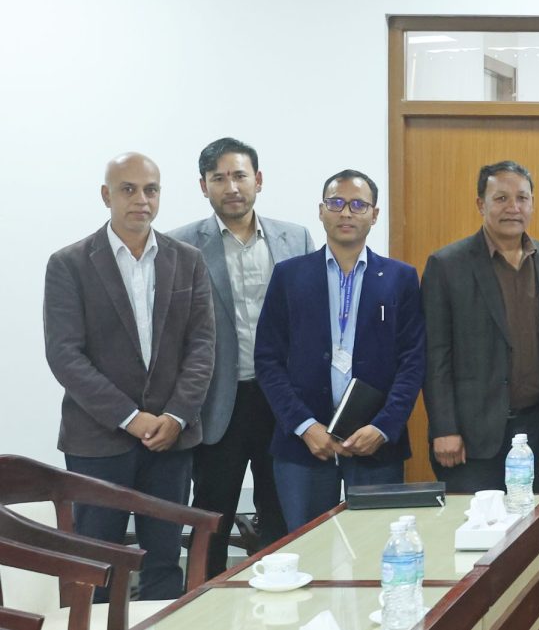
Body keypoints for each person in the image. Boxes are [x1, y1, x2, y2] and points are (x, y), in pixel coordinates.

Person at [43, 152, 215, 600]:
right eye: (128, 189)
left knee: (164, 563)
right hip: (98, 442)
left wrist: (175, 416)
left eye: (150, 190)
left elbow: (202, 348)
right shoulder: (69, 263)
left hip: (171, 441)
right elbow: (65, 356)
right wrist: (130, 417)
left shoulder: (188, 260)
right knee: (96, 565)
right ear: (107, 195)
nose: (142, 199)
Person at [167, 137, 312, 575]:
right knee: (212, 517)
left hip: (280, 400)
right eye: (219, 178)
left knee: (282, 512)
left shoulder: (295, 238)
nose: (231, 187)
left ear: (258, 180)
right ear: (203, 186)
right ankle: (205, 600)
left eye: (239, 176)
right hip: (218, 404)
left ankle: (283, 596)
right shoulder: (181, 245)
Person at [254, 170, 425, 532]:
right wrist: (304, 426)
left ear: (374, 215)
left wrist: (383, 427)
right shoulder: (289, 276)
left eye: (358, 205)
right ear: (321, 211)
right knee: (307, 548)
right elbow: (268, 360)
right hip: (303, 445)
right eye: (336, 203)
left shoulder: (400, 278)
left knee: (376, 546)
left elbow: (412, 362)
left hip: (375, 443)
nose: (346, 212)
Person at [422, 161, 539, 493]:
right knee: (476, 523)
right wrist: (444, 428)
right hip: (471, 436)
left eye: (522, 198)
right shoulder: (447, 265)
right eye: (501, 198)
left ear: (532, 203)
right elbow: (435, 354)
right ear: (480, 204)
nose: (513, 207)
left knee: (536, 522)